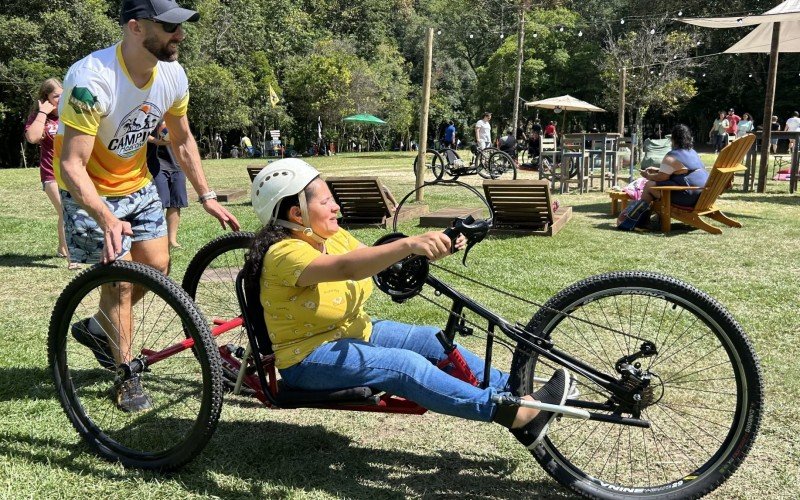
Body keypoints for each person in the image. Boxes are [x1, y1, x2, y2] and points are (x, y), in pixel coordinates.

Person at [246, 158, 573, 450]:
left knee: (430, 340)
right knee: (403, 366)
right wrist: (410, 242)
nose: (336, 207)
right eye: (327, 200)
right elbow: (348, 267)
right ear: (296, 212)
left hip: (356, 333)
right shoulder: (284, 254)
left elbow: (379, 260)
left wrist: (436, 244)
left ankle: (514, 388)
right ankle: (513, 414)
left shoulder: (332, 237)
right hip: (308, 359)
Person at [55, 0, 240, 413]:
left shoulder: (172, 74)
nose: (180, 34)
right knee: (120, 284)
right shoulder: (91, 80)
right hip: (93, 192)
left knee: (157, 269)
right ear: (135, 28)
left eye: (181, 25)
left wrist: (207, 195)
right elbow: (71, 165)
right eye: (170, 26)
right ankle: (126, 376)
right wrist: (106, 217)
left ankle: (98, 327)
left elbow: (183, 139)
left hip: (138, 184)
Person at [24, 78, 74, 268]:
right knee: (65, 210)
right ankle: (72, 257)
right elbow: (33, 138)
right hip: (51, 173)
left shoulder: (69, 113)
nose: (60, 99)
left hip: (72, 171)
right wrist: (43, 112)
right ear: (46, 98)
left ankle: (62, 248)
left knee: (68, 211)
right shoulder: (40, 116)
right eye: (56, 96)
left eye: (63, 95)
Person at [640, 124, 708, 207]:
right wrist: (658, 170)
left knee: (649, 185)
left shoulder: (672, 156)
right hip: (702, 194)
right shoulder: (693, 152)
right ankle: (655, 215)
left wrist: (647, 176)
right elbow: (684, 170)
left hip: (689, 196)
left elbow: (662, 177)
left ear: (673, 139)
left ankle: (638, 215)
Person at [147, 121, 187, 249]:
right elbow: (141, 134)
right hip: (157, 164)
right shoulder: (152, 112)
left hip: (178, 163)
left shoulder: (176, 114)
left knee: (176, 202)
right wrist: (155, 141)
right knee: (159, 203)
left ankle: (172, 240)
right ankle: (156, 239)